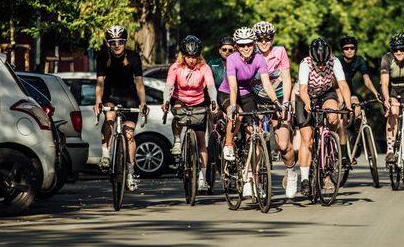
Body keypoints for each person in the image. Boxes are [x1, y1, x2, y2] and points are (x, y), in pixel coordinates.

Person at [219, 27, 282, 197]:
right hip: (227, 93)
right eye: (242, 45)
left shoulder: (259, 59)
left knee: (255, 132)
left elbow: (266, 83)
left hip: (247, 95)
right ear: (237, 46)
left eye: (249, 44)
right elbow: (232, 86)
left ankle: (252, 179)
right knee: (237, 114)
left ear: (253, 44)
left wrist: (276, 102)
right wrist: (232, 107)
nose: (246, 48)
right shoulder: (232, 59)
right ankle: (229, 145)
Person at [94, 25, 149, 192]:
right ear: (109, 43)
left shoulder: (133, 57)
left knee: (129, 135)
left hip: (129, 97)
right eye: (113, 42)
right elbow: (100, 82)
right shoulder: (103, 56)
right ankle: (105, 154)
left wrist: (143, 102)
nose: (116, 45)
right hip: (110, 96)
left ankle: (131, 173)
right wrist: (98, 101)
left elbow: (139, 82)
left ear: (125, 42)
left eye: (120, 41)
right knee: (109, 117)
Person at [296, 38, 352, 196]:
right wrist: (307, 103)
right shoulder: (305, 63)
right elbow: (303, 89)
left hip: (325, 93)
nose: (321, 66)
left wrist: (348, 105)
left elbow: (342, 84)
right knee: (307, 138)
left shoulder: (334, 61)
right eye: (318, 63)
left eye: (323, 63)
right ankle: (305, 179)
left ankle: (329, 144)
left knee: (333, 116)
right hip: (305, 95)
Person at [161, 35, 219, 191]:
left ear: (198, 55)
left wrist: (213, 101)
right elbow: (169, 86)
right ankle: (178, 140)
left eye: (194, 57)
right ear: (183, 55)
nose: (191, 60)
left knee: (201, 141)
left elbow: (211, 87)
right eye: (188, 57)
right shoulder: (175, 68)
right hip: (179, 99)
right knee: (178, 113)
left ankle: (202, 177)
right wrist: (166, 101)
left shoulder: (204, 68)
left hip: (198, 101)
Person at [251, 21, 296, 199]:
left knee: (283, 145)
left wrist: (285, 102)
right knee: (255, 143)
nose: (264, 42)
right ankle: (256, 182)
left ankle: (291, 173)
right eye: (260, 39)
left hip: (277, 100)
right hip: (257, 100)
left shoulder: (280, 52)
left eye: (268, 39)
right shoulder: (251, 54)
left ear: (272, 39)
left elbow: (286, 79)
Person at [380, 33, 404, 164]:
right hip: (393, 88)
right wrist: (387, 100)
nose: (399, 52)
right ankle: (390, 150)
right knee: (393, 112)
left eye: (402, 49)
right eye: (395, 49)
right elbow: (384, 83)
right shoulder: (386, 58)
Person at [338, 35, 382, 133]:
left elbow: (366, 79)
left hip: (349, 89)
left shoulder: (359, 60)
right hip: (337, 89)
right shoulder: (337, 61)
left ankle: (357, 135)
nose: (349, 50)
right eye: (346, 48)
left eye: (352, 48)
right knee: (341, 119)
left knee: (358, 108)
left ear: (356, 49)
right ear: (342, 50)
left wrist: (376, 93)